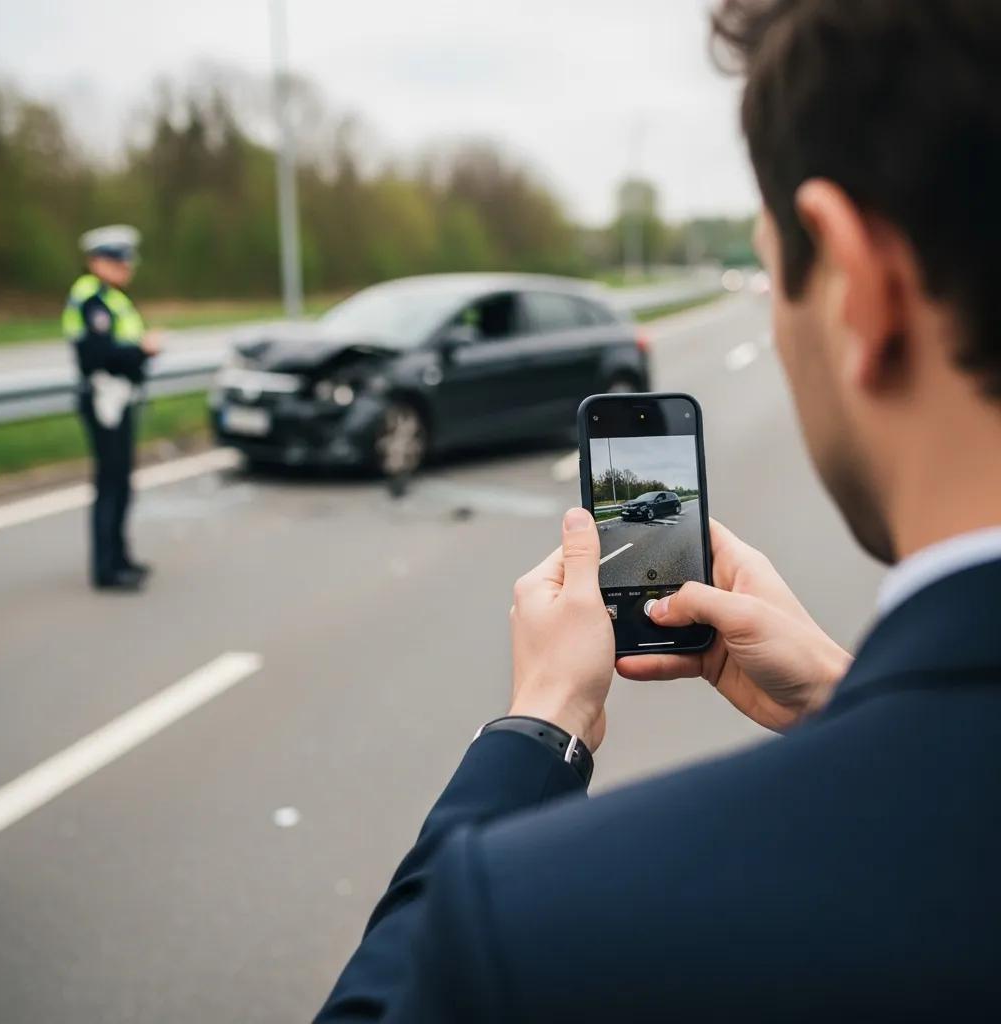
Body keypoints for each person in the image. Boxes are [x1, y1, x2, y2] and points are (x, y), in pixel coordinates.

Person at [317, 0, 1001, 1019]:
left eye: (774, 278)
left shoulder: (545, 921)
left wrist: (541, 723)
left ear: (855, 283)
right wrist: (844, 693)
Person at [62, 225, 160, 590]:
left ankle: (120, 558)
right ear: (98, 261)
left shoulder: (113, 298)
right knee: (111, 482)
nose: (126, 268)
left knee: (121, 482)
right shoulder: (92, 299)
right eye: (119, 260)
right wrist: (142, 350)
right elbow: (98, 354)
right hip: (104, 398)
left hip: (119, 397)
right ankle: (107, 569)